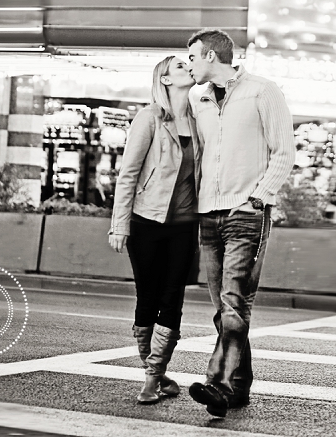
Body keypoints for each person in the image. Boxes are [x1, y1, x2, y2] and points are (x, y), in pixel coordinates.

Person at [184, 29, 295, 417]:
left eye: (194, 57)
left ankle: (217, 382)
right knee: (227, 310)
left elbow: (284, 152)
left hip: (246, 213)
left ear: (213, 56)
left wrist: (258, 198)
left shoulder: (262, 91)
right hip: (208, 214)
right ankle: (238, 389)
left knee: (233, 305)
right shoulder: (196, 97)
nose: (189, 65)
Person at [108, 56, 200, 404]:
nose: (187, 68)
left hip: (185, 223)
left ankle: (151, 377)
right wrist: (119, 225)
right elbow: (128, 173)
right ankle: (156, 372)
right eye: (179, 66)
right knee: (148, 295)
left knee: (173, 296)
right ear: (164, 79)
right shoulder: (149, 118)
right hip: (145, 220)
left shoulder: (200, 118)